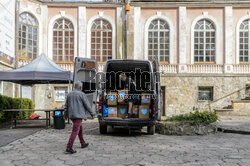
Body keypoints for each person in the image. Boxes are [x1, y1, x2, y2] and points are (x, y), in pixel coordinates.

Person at [64, 81, 95, 154]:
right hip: (78, 115)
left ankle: (83, 143)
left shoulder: (69, 94)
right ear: (80, 87)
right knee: (75, 131)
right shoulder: (82, 94)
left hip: (71, 115)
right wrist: (92, 113)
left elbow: (66, 105)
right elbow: (87, 105)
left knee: (79, 129)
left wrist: (65, 114)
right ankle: (69, 147)